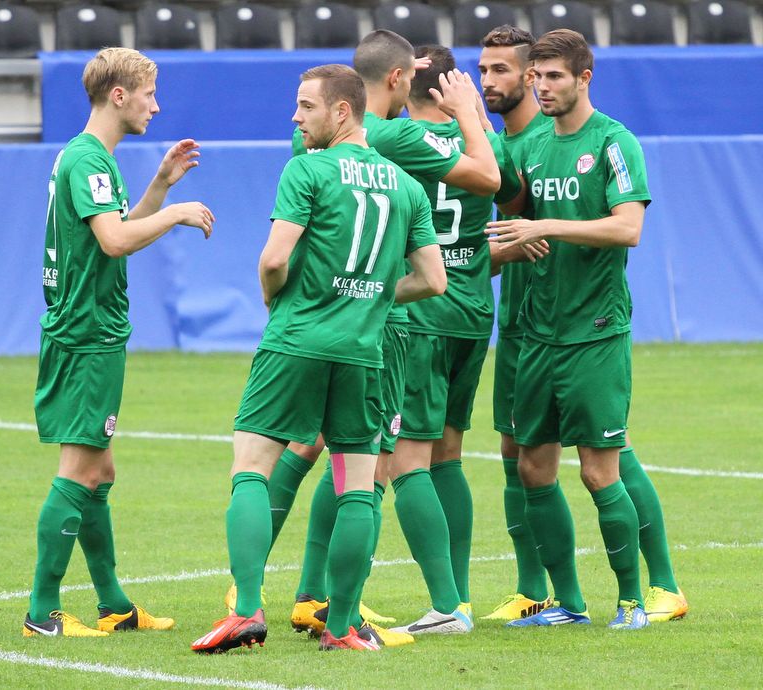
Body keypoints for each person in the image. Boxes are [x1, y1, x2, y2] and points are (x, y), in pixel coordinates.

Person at [242, 29, 502, 643]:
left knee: (326, 452)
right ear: (399, 78)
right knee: (382, 460)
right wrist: (470, 112)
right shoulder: (410, 139)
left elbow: (283, 249)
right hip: (410, 317)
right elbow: (491, 178)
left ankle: (302, 595)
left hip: (341, 316)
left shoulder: (334, 142)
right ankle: (382, 602)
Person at [190, 63, 446, 654]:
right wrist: (373, 295)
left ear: (342, 111)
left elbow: (275, 259)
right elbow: (433, 280)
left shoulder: (306, 169)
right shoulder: (406, 186)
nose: (296, 117)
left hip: (297, 340)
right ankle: (342, 625)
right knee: (357, 484)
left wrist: (272, 297)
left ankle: (246, 611)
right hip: (365, 352)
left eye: (306, 106)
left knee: (252, 467)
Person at [479, 25, 687, 625]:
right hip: (536, 332)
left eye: (553, 77)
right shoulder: (531, 148)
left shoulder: (614, 141)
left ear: (584, 78)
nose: (541, 87)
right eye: (536, 76)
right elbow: (509, 221)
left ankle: (634, 599)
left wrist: (548, 226)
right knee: (531, 466)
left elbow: (628, 227)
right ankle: (568, 604)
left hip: (594, 330)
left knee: (600, 469)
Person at [25, 47, 215, 638]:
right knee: (79, 471)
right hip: (87, 334)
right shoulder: (89, 160)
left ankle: (114, 605)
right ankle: (42, 614)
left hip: (88, 330)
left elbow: (119, 229)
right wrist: (177, 212)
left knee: (99, 472)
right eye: (149, 95)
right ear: (119, 95)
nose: (155, 106)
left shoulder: (90, 157)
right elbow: (114, 241)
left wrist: (160, 184)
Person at [386, 44, 525, 636]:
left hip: (421, 313)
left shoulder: (394, 141)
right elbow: (510, 190)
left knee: (402, 461)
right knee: (448, 455)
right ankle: (460, 597)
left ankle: (444, 605)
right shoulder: (480, 144)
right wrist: (474, 117)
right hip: (472, 314)